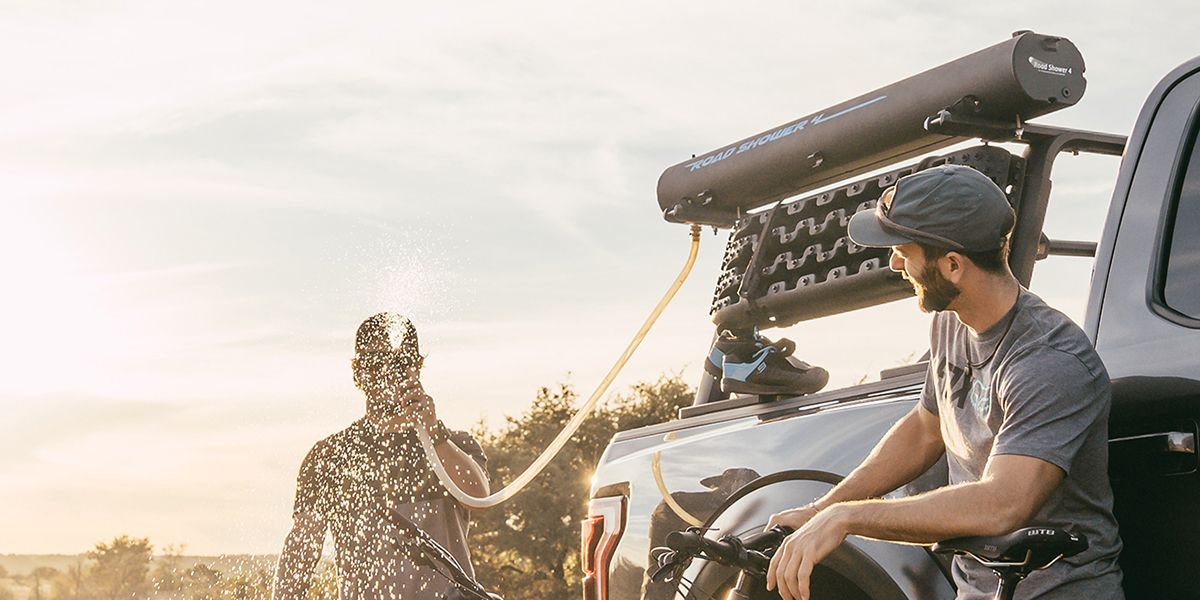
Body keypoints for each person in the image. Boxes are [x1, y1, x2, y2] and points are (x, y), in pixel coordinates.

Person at [764, 165, 1123, 600]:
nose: (895, 262)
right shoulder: (950, 323)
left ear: (953, 266)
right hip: (976, 589)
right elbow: (925, 429)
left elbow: (1002, 504)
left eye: (903, 251)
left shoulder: (1050, 360)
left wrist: (847, 518)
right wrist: (820, 509)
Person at [273, 312, 490, 600]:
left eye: (399, 363)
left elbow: (478, 498)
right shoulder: (330, 456)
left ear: (417, 368)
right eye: (374, 364)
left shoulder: (452, 445)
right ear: (357, 372)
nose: (386, 373)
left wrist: (434, 433)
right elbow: (301, 551)